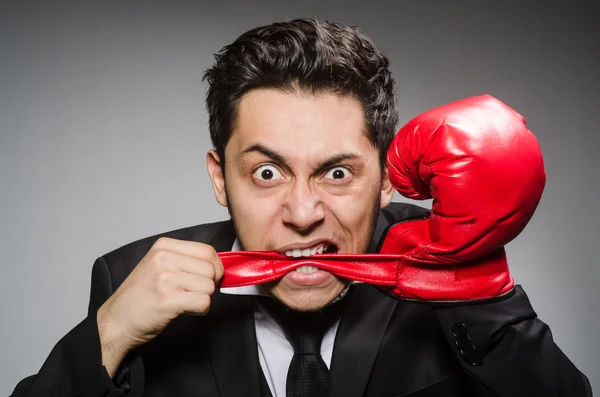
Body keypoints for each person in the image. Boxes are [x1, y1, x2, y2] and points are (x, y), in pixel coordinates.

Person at [11, 18, 592, 397]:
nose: (303, 211)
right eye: (268, 172)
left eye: (337, 172)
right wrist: (107, 336)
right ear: (220, 178)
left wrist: (486, 302)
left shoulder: (444, 267)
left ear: (387, 177)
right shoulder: (129, 276)